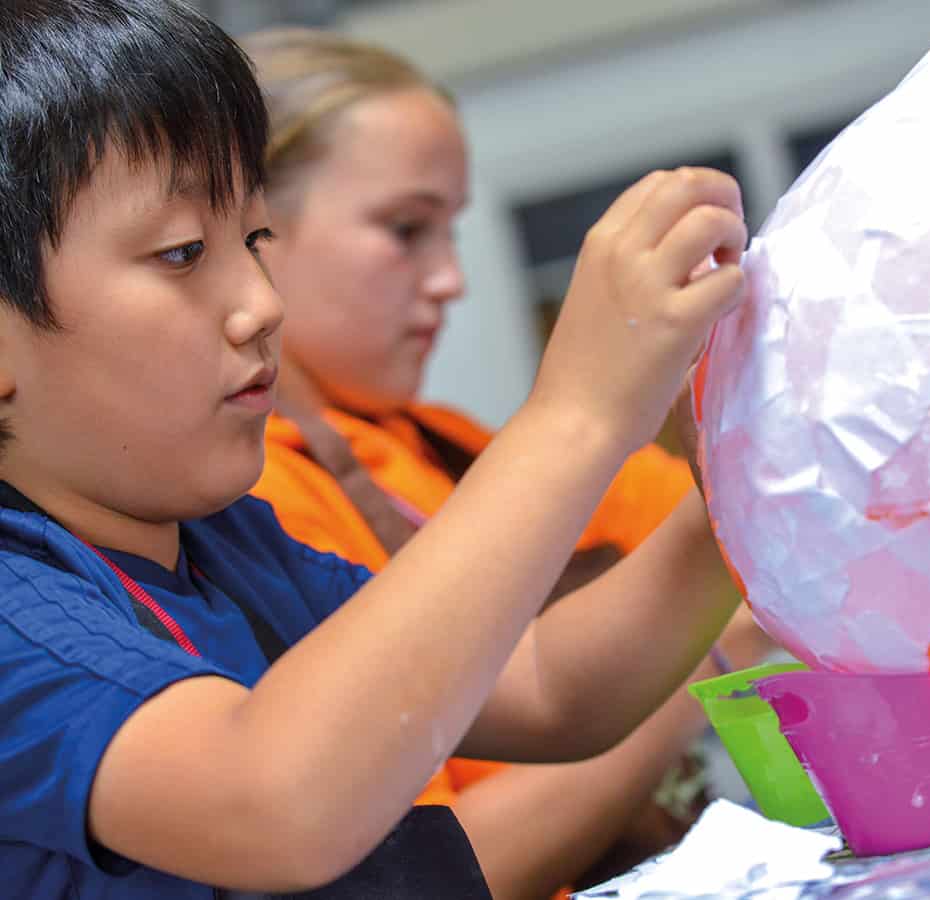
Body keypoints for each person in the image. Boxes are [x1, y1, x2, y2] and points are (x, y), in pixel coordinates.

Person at [0, 2, 749, 898]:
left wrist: (737, 498)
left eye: (255, 239)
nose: (263, 303)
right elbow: (275, 805)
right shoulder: (20, 611)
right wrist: (575, 415)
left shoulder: (235, 549)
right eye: (182, 251)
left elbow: (547, 687)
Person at [243, 29, 770, 899]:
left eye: (448, 231)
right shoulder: (257, 503)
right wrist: (704, 659)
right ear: (252, 231)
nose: (450, 278)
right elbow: (442, 867)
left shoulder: (438, 442)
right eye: (405, 228)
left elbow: (699, 539)